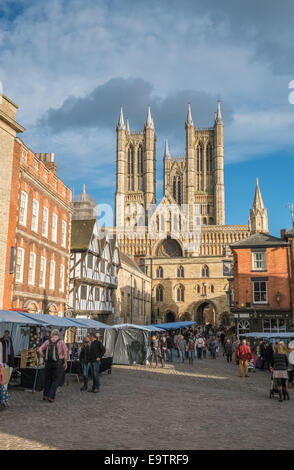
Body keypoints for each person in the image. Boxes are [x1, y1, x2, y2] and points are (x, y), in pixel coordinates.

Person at [38, 329, 68, 402]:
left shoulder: (48, 341)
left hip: (48, 363)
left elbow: (39, 349)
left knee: (47, 379)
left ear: (52, 334)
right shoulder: (61, 342)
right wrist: (65, 362)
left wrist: (44, 356)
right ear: (57, 334)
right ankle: (51, 397)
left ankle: (45, 395)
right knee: (55, 380)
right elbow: (65, 353)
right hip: (57, 363)